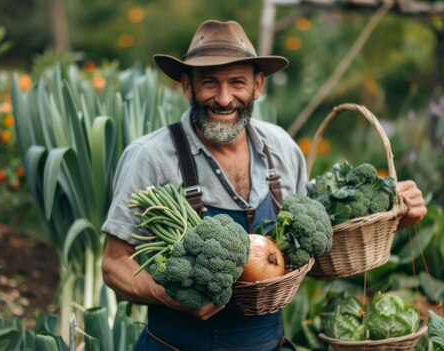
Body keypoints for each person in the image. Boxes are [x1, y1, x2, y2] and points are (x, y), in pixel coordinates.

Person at [101, 19, 427, 351]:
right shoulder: (151, 157)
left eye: (237, 82)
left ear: (258, 86)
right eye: (210, 82)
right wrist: (172, 296)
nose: (225, 98)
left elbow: (308, 256)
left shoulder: (282, 148)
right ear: (188, 86)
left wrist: (392, 220)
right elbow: (114, 265)